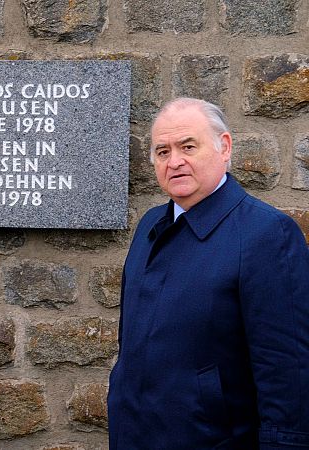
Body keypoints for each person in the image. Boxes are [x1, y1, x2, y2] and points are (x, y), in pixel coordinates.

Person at [108, 98, 309, 449]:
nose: (175, 161)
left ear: (224, 147)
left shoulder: (266, 234)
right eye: (163, 151)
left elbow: (287, 370)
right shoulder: (149, 226)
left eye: (188, 147)